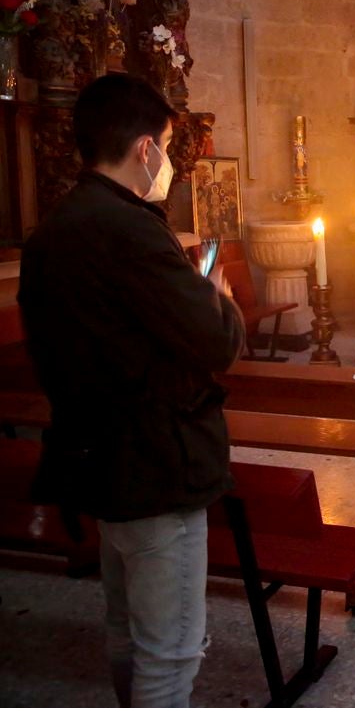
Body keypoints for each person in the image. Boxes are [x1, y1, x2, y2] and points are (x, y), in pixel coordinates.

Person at [18, 74, 245, 707]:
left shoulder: (52, 230)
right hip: (156, 462)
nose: (168, 162)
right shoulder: (131, 228)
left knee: (126, 627)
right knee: (170, 650)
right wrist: (217, 299)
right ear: (145, 149)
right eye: (168, 146)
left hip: (93, 455)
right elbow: (214, 342)